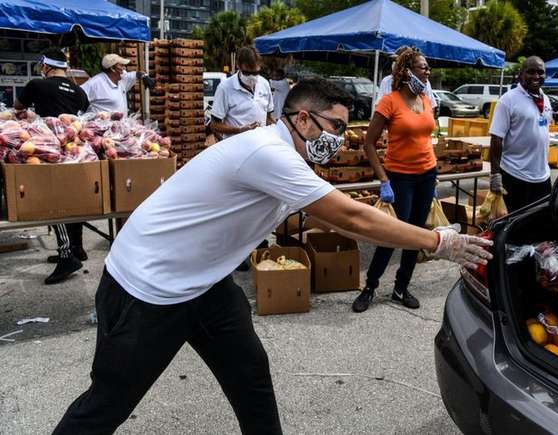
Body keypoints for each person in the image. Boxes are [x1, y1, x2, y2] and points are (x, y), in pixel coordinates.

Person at [51, 77, 491, 435]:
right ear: (302, 118)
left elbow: (333, 219)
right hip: (147, 287)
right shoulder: (270, 153)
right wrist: (438, 242)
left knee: (249, 373)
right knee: (108, 403)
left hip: (203, 283)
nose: (341, 139)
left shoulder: (286, 156)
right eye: (336, 127)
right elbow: (351, 218)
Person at [351, 48, 438, 313]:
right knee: (392, 235)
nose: (427, 72)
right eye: (423, 68)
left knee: (417, 235)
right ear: (407, 71)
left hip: (427, 174)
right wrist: (383, 180)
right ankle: (370, 287)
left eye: (427, 68)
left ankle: (402, 287)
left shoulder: (425, 98)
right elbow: (368, 143)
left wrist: (434, 173)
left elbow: (426, 136)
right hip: (400, 178)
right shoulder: (389, 102)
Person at [14, 48, 90, 285]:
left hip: (50, 150)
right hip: (76, 150)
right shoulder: (79, 91)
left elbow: (18, 106)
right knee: (73, 200)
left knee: (54, 203)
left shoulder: (37, 84)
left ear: (45, 65)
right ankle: (76, 248)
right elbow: (82, 114)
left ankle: (67, 256)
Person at [488, 56, 553, 213]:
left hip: (542, 176)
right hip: (514, 175)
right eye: (531, 72)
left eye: (540, 72)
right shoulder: (508, 100)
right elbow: (496, 139)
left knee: (539, 225)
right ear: (520, 74)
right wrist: (495, 175)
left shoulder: (546, 99)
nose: (536, 76)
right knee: (515, 226)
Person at [210, 47, 274, 141]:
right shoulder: (225, 88)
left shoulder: (264, 84)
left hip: (261, 145)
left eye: (255, 73)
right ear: (238, 66)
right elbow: (215, 125)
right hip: (237, 147)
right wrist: (239, 130)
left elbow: (268, 118)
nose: (252, 77)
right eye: (247, 73)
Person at [80, 53, 154, 115]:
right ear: (112, 68)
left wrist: (144, 76)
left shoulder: (122, 79)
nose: (124, 68)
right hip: (101, 129)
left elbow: (136, 74)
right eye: (121, 65)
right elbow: (77, 95)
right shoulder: (95, 83)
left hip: (120, 128)